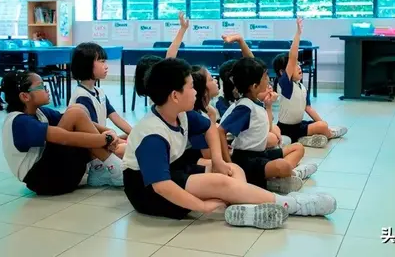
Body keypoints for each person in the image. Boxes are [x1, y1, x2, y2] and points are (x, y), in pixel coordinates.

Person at [122, 58, 337, 228]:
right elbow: (162, 186)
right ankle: (292, 204)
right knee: (221, 184)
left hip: (173, 169)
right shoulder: (153, 135)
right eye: (190, 87)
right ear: (175, 96)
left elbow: (209, 129)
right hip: (147, 191)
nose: (195, 91)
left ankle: (242, 209)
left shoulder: (181, 114)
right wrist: (202, 206)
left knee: (231, 169)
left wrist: (218, 161)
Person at [0, 71, 123, 194]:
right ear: (25, 96)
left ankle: (101, 167)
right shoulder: (19, 122)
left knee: (77, 109)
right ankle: (113, 168)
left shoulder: (40, 112)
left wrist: (109, 132)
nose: (46, 89)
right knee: (75, 112)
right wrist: (106, 139)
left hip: (52, 173)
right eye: (41, 86)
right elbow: (66, 137)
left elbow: (81, 120)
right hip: (46, 181)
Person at [219, 57, 318, 194]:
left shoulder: (256, 103)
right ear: (254, 86)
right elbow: (220, 131)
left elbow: (266, 127)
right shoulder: (244, 107)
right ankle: (288, 175)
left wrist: (268, 106)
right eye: (265, 77)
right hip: (247, 160)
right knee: (282, 166)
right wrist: (228, 162)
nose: (269, 80)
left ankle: (287, 175)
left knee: (298, 148)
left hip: (261, 154)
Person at [273, 18, 348, 148]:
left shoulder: (301, 87)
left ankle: (320, 134)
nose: (299, 67)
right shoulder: (285, 86)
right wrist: (298, 34)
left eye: (298, 64)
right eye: (295, 65)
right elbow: (292, 57)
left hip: (298, 124)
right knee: (321, 127)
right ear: (282, 72)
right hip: (287, 128)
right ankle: (324, 135)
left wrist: (324, 125)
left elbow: (308, 108)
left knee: (322, 124)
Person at [69, 42, 128, 177]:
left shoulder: (98, 91)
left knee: (131, 139)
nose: (106, 66)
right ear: (87, 64)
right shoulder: (82, 96)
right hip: (93, 149)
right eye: (101, 62)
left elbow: (115, 117)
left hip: (102, 140)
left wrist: (135, 134)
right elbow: (93, 134)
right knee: (130, 149)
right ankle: (100, 169)